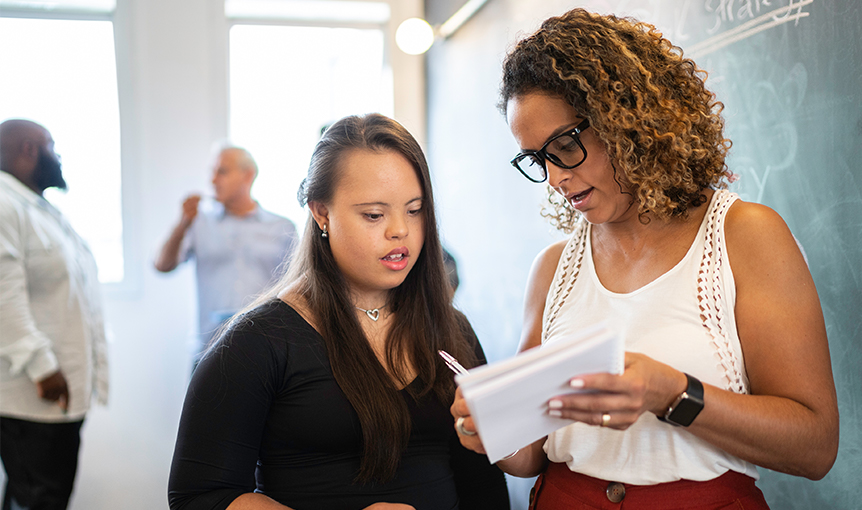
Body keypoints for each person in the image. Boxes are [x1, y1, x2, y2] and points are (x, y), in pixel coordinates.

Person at [450, 9, 839, 509]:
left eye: (565, 145)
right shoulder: (553, 268)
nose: (553, 178)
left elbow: (815, 447)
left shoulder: (745, 237)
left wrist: (673, 394)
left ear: (628, 120)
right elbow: (530, 455)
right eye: (536, 158)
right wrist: (488, 427)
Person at [167, 113, 509, 510]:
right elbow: (200, 496)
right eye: (374, 215)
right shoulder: (256, 343)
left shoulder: (452, 331)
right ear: (322, 213)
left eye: (414, 210)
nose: (400, 230)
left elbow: (483, 482)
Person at [0, 119, 109, 510]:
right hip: (33, 396)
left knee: (38, 496)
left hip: (55, 396)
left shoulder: (36, 207)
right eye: (52, 146)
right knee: (40, 500)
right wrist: (42, 367)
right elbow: (2, 297)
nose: (57, 156)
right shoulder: (4, 204)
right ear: (30, 149)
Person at [154, 145, 298, 366]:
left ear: (248, 175)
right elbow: (162, 265)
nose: (213, 180)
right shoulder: (199, 222)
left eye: (222, 172)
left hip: (267, 351)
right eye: (212, 172)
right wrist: (182, 224)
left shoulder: (282, 228)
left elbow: (298, 288)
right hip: (208, 350)